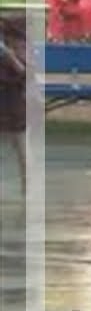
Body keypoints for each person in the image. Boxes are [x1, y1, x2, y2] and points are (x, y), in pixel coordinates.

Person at [0, 18, 27, 198]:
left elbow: (24, 73)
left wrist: (10, 56)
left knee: (20, 146)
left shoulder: (16, 50)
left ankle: (28, 189)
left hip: (13, 102)